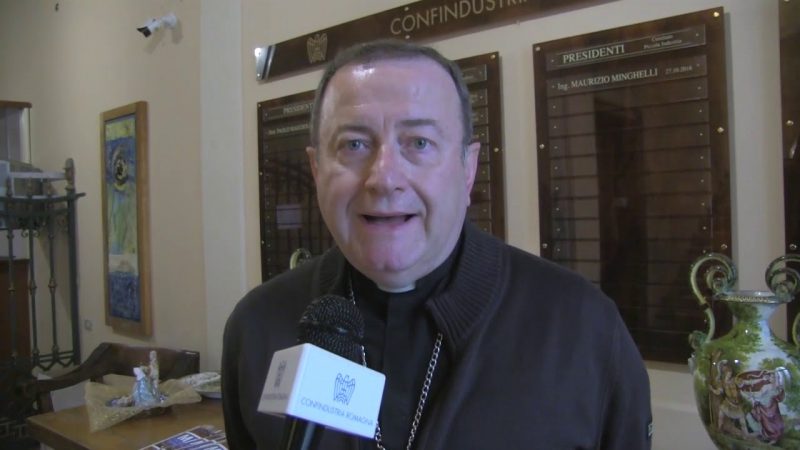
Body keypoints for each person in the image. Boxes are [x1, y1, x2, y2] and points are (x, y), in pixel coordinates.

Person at [222, 39, 653, 450]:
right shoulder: (257, 325)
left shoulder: (583, 327)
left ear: (468, 168)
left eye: (419, 143)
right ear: (316, 169)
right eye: (354, 144)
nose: (384, 178)